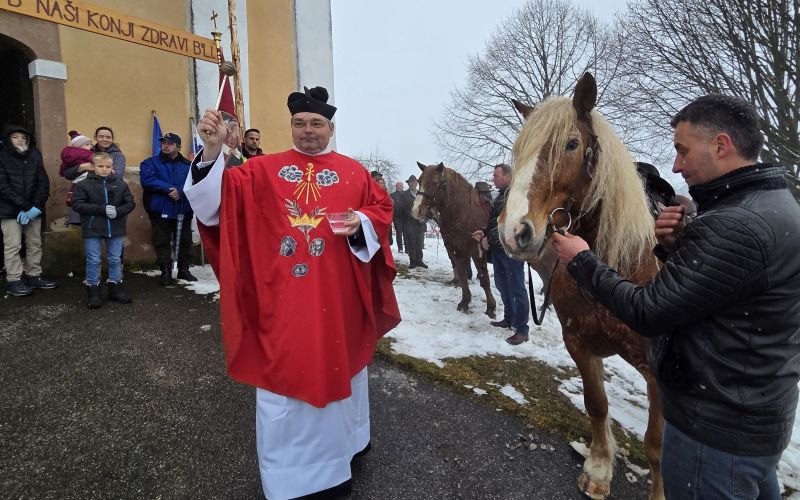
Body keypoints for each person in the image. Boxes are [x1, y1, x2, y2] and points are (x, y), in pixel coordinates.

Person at [551, 94, 800, 499]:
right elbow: (720, 289)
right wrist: (673, 247)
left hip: (713, 435)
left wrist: (582, 260)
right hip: (750, 420)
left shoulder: (736, 224)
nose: (675, 165)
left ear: (720, 145)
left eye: (683, 151)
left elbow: (650, 313)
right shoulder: (771, 206)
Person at [184, 85, 400, 500]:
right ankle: (294, 480)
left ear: (330, 128)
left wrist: (362, 221)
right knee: (286, 375)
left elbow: (382, 212)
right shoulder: (261, 170)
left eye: (316, 123)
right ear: (291, 128)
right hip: (281, 296)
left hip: (339, 297)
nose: (307, 131)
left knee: (343, 366)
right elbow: (216, 207)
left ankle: (347, 448)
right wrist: (212, 154)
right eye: (299, 124)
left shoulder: (354, 172)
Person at [472, 164, 529, 344]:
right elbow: (495, 223)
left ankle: (522, 329)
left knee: (518, 289)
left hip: (512, 251)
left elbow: (512, 225)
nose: (493, 178)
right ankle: (509, 318)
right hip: (499, 250)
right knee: (503, 286)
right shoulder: (502, 195)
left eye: (496, 175)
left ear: (507, 176)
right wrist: (484, 232)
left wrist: (488, 239)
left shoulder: (516, 196)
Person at [70, 152, 135, 308]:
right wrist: (101, 209)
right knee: (93, 260)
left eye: (108, 166)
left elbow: (130, 203)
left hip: (115, 228)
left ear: (112, 167)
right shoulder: (83, 184)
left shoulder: (120, 184)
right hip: (93, 228)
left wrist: (118, 211)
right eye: (101, 166)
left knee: (115, 259)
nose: (105, 169)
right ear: (93, 167)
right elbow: (77, 204)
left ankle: (116, 290)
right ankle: (93, 292)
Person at [0, 125, 57, 296]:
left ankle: (34, 275)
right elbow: (2, 186)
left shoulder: (34, 155)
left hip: (33, 209)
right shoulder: (2, 156)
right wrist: (24, 206)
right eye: (15, 137)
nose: (20, 140)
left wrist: (36, 207)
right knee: (13, 245)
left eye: (23, 137)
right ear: (8, 139)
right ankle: (14, 280)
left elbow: (42, 182)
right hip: (9, 210)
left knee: (34, 243)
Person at [139, 132, 196, 285]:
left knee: (184, 240)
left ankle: (184, 270)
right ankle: (165, 272)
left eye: (170, 143)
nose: (165, 145)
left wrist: (180, 191)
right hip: (160, 208)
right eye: (164, 142)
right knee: (162, 241)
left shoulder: (188, 165)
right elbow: (148, 180)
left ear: (178, 147)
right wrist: (170, 189)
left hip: (183, 208)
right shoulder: (149, 163)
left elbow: (194, 182)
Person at [402, 175, 427, 268]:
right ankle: (412, 261)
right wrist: (413, 214)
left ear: (417, 184)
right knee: (412, 242)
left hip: (420, 223)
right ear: (408, 184)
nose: (413, 184)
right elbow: (402, 208)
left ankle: (419, 260)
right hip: (409, 222)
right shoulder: (404, 194)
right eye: (411, 182)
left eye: (415, 182)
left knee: (420, 242)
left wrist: (423, 217)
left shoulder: (421, 194)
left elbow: (425, 207)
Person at [389, 181, 407, 253]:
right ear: (396, 187)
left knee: (406, 232)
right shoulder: (392, 195)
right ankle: (400, 248)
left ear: (402, 187)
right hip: (397, 217)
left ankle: (407, 248)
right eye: (398, 186)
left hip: (405, 216)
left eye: (400, 185)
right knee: (399, 232)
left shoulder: (406, 194)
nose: (399, 187)